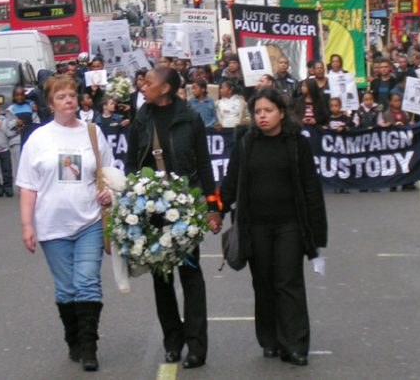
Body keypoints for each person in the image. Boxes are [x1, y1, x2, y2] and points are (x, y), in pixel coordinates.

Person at [220, 88, 328, 367]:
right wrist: (215, 210)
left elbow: (311, 188)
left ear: (282, 112)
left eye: (268, 111)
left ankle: (295, 344)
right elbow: (231, 183)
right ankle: (270, 339)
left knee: (288, 282)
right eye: (258, 112)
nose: (262, 116)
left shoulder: (296, 143)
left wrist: (317, 236)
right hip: (255, 226)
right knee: (264, 283)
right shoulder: (246, 143)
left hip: (289, 225)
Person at [126, 66, 222, 370]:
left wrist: (212, 206)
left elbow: (204, 165)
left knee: (191, 275)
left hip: (186, 206)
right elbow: (131, 164)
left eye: (149, 83)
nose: (143, 86)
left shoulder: (190, 118)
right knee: (161, 277)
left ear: (166, 88)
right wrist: (131, 206)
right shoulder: (141, 119)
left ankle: (197, 346)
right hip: (150, 211)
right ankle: (172, 342)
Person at [16, 74, 114, 372]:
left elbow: (110, 173)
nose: (69, 100)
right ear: (50, 103)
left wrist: (108, 193)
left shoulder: (94, 133)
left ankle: (88, 346)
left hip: (89, 221)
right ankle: (73, 338)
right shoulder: (38, 139)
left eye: (72, 95)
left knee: (87, 282)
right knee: (66, 289)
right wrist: (27, 225)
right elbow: (28, 186)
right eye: (61, 96)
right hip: (52, 225)